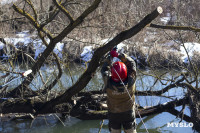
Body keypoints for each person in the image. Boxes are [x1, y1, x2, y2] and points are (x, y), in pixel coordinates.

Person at [101, 48, 137, 133]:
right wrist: (120, 56)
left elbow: (104, 69)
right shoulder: (131, 80)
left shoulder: (108, 82)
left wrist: (110, 57)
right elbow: (132, 63)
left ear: (112, 74)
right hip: (128, 113)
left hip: (114, 114)